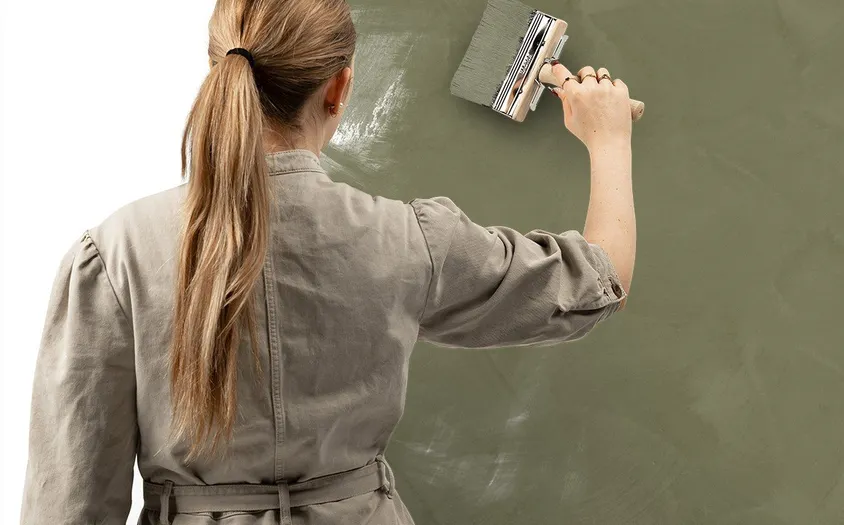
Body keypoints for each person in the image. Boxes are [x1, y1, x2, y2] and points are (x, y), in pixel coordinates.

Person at [19, 0, 635, 522]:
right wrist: (609, 141)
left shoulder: (114, 255)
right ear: (339, 88)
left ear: (215, 72)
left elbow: (69, 503)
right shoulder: (408, 241)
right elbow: (596, 283)